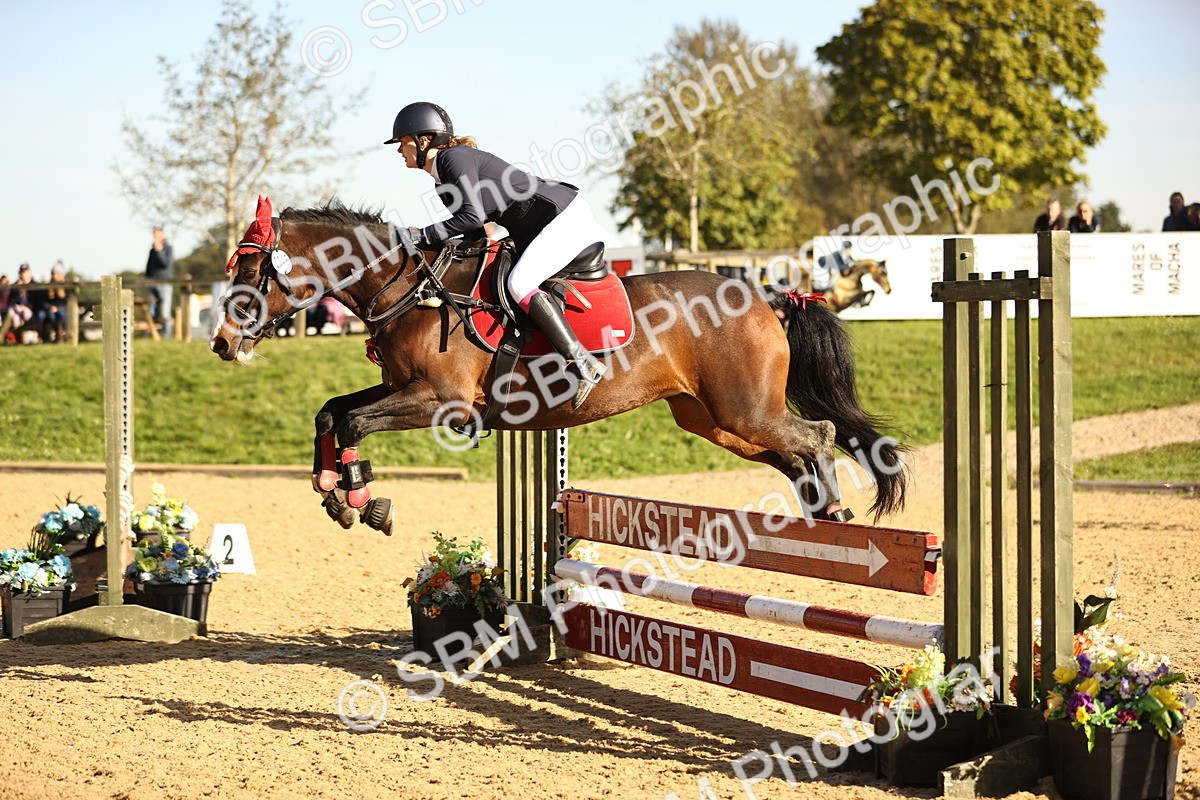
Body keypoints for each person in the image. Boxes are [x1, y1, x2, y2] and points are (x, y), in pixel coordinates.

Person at [386, 101, 607, 408]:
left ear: (424, 140)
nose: (399, 150)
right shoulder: (442, 177)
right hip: (541, 224)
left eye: (402, 142)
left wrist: (422, 234)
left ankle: (583, 362)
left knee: (520, 283)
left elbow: (472, 218)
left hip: (561, 217)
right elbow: (476, 235)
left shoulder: (453, 158)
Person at [145, 227, 174, 338]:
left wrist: (159, 251)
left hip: (164, 283)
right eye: (154, 235)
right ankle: (153, 335)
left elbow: (165, 264)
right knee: (151, 311)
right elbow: (149, 266)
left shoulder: (168, 248)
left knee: (165, 311)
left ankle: (166, 336)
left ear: (163, 235)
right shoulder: (152, 250)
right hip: (152, 282)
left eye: (157, 235)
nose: (155, 237)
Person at [0, 264, 35, 344]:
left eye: (25, 272)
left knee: (15, 312)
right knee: (12, 310)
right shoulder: (15, 286)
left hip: (30, 312)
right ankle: (3, 335)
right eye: (22, 272)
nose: (23, 274)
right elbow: (11, 300)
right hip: (16, 312)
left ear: (30, 273)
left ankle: (2, 335)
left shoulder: (35, 285)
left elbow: (38, 302)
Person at [34, 264, 68, 343]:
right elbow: (43, 301)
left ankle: (59, 337)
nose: (54, 276)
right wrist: (50, 307)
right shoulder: (48, 287)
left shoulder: (67, 286)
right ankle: (45, 338)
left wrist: (58, 308)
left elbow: (67, 302)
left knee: (58, 315)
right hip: (49, 309)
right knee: (44, 315)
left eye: (57, 274)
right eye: (53, 274)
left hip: (62, 309)